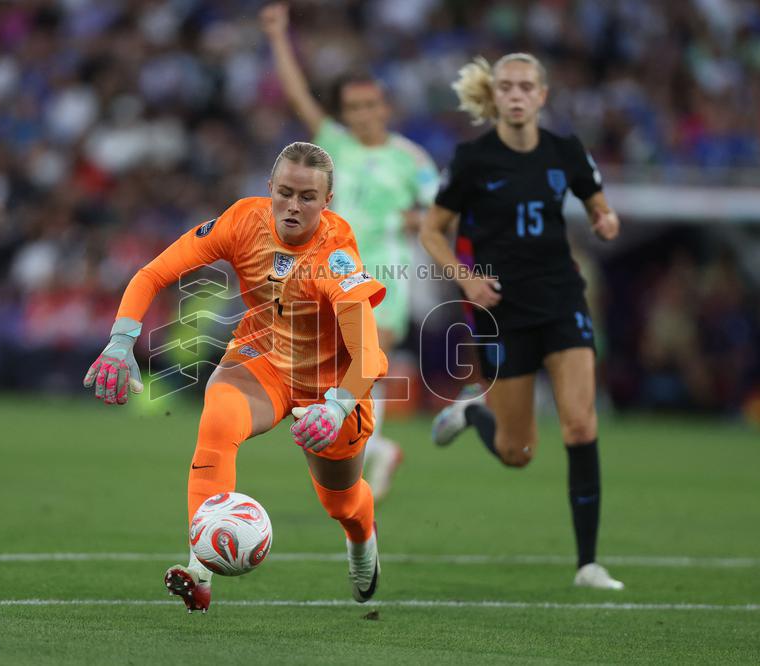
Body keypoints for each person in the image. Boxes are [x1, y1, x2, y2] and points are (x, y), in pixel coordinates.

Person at [84, 142, 386, 613]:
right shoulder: (243, 220)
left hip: (331, 384)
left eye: (308, 197)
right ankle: (199, 570)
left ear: (327, 202)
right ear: (269, 188)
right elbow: (153, 273)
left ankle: (362, 539)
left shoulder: (337, 257)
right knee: (218, 420)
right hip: (262, 359)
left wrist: (338, 405)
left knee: (340, 503)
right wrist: (121, 341)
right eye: (284, 192)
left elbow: (369, 355)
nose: (293, 205)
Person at [420, 54, 623, 590]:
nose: (515, 94)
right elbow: (431, 231)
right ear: (496, 95)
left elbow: (599, 205)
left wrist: (605, 220)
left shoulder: (566, 152)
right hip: (504, 311)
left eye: (525, 86)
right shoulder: (472, 159)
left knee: (581, 423)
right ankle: (472, 415)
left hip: (562, 302)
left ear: (542, 96)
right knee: (519, 453)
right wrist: (465, 280)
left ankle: (588, 564)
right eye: (506, 86)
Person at [260, 2, 440, 500]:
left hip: (384, 271)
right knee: (343, 364)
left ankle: (370, 452)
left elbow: (441, 215)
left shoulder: (411, 160)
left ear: (385, 107)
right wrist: (279, 36)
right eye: (354, 107)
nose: (363, 114)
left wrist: (415, 219)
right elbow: (298, 96)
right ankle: (375, 448)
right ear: (345, 112)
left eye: (370, 105)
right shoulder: (335, 143)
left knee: (371, 354)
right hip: (332, 271)